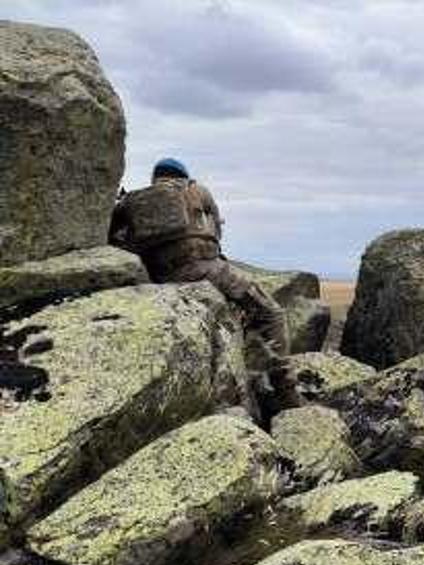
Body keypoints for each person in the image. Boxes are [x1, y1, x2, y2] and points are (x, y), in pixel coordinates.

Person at [110, 158, 301, 410]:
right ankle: (284, 391)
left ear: (156, 178)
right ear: (184, 175)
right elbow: (216, 237)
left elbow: (118, 242)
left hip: (162, 278)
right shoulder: (198, 191)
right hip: (208, 270)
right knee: (271, 314)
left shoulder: (133, 202)